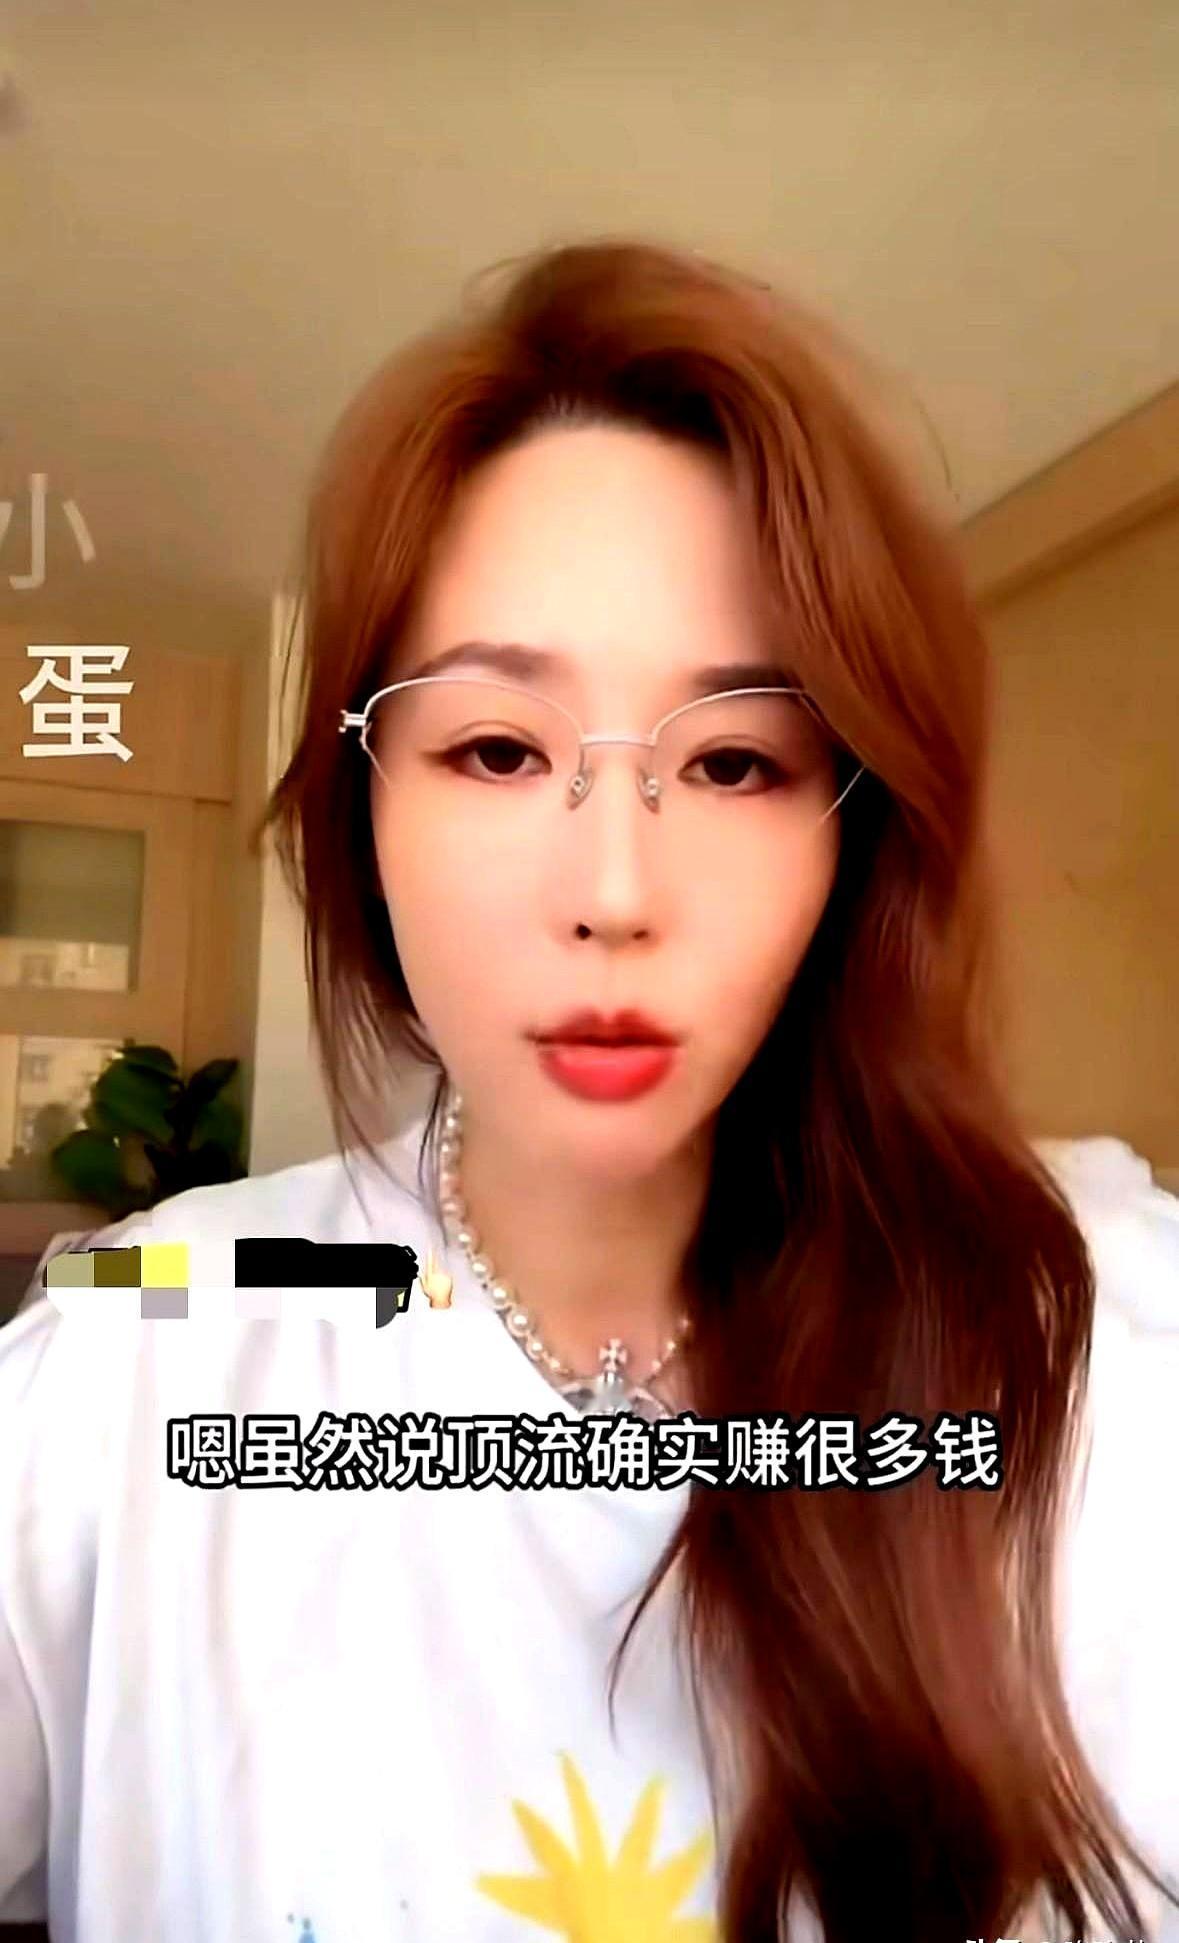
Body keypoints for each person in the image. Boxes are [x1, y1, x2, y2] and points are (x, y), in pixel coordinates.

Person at [2, 237, 1177, 1943]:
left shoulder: (1110, 1343)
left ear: (854, 844)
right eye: (496, 748)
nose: (614, 890)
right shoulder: (139, 1348)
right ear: (361, 810)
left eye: (735, 761)